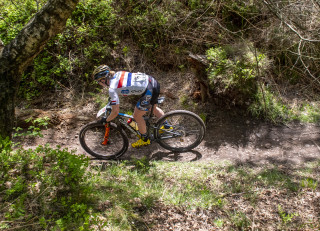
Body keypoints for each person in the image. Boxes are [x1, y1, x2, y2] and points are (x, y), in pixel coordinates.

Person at [92, 65, 165, 148]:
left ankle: (145, 139)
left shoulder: (112, 88)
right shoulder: (117, 74)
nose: (99, 84)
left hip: (148, 90)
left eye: (98, 81)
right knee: (152, 108)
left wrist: (106, 120)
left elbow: (115, 112)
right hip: (152, 81)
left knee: (137, 116)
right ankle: (166, 125)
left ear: (103, 79)